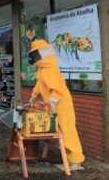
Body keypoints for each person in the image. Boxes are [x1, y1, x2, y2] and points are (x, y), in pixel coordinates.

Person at [28, 39, 85, 170]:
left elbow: (57, 90)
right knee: (59, 131)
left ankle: (76, 160)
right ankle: (70, 159)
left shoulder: (50, 70)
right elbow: (39, 84)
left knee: (68, 130)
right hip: (53, 104)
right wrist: (33, 96)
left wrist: (52, 102)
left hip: (62, 104)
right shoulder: (42, 69)